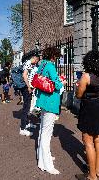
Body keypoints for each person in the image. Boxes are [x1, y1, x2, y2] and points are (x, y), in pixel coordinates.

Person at [75, 50, 99, 180]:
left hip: (90, 107)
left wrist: (77, 87)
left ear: (88, 62)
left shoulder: (86, 76)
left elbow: (79, 95)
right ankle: (98, 170)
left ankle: (92, 176)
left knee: (88, 142)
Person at [35, 47, 66, 175]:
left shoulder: (41, 65)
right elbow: (57, 84)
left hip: (42, 100)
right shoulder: (51, 66)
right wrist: (62, 81)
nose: (57, 58)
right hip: (51, 101)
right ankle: (47, 165)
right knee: (47, 134)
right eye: (56, 56)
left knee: (42, 130)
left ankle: (41, 158)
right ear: (53, 56)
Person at [19, 53, 40, 136]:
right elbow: (24, 75)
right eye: (37, 60)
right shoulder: (28, 63)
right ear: (35, 58)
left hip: (28, 87)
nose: (37, 62)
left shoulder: (29, 63)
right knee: (26, 107)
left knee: (27, 107)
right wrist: (28, 87)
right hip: (26, 88)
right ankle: (22, 128)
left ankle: (27, 123)